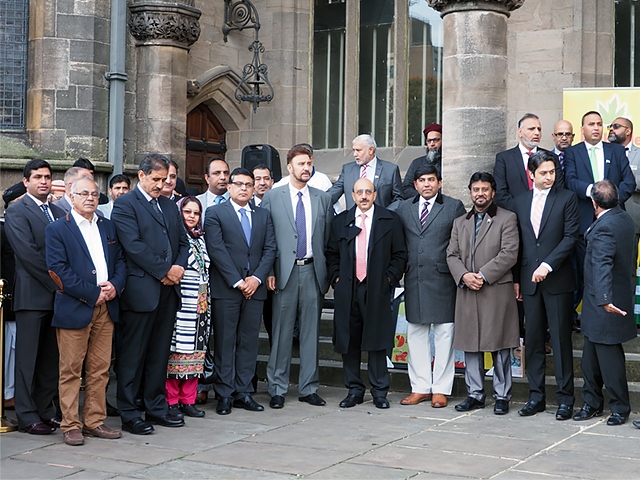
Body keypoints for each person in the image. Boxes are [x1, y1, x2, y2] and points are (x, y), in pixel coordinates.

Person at [111, 153, 189, 435]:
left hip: (168, 292)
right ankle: (130, 412)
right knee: (133, 356)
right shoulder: (125, 205)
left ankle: (156, 407)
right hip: (141, 290)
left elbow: (183, 241)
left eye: (165, 179)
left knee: (159, 354)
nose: (161, 184)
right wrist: (165, 271)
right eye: (155, 179)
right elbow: (134, 246)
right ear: (141, 176)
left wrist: (179, 266)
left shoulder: (168, 206)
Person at [45, 176, 126, 446]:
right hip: (75, 307)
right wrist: (94, 293)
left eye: (94, 194)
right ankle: (70, 424)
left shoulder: (108, 226)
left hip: (106, 309)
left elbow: (121, 262)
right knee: (70, 370)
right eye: (84, 193)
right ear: (71, 195)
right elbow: (59, 271)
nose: (90, 198)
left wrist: (114, 286)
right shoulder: (57, 229)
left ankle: (94, 421)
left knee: (100, 368)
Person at [261, 144, 333, 409]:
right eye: (301, 163)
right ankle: (277, 388)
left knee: (311, 332)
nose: (306, 168)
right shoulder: (273, 197)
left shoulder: (322, 198)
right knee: (280, 332)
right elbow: (265, 239)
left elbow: (326, 239)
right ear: (289, 167)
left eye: (309, 163)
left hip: (313, 271)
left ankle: (308, 387)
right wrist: (268, 271)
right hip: (283, 274)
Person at [327, 178, 407, 409]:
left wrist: (389, 278)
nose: (363, 196)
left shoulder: (390, 220)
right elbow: (331, 253)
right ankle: (354, 389)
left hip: (377, 287)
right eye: (359, 192)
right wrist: (337, 278)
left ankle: (379, 390)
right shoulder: (340, 222)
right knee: (348, 339)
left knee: (376, 338)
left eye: (368, 192)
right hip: (348, 288)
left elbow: (400, 254)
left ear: (375, 194)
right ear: (352, 195)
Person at [512, 151, 579, 420]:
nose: (549, 177)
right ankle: (536, 397)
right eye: (543, 173)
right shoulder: (520, 201)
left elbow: (571, 236)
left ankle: (565, 400)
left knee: (561, 341)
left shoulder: (567, 198)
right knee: (534, 340)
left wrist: (548, 265)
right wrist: (517, 278)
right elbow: (517, 243)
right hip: (529, 282)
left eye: (552, 172)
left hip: (557, 280)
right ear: (532, 174)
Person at [447, 172, 520, 415]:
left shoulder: (507, 218)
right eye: (476, 189)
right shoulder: (460, 222)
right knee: (471, 345)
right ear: (470, 192)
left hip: (495, 290)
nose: (480, 193)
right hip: (468, 290)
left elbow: (510, 253)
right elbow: (451, 254)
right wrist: (465, 276)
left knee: (499, 345)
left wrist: (482, 275)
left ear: (493, 192)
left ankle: (502, 396)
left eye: (485, 189)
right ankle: (475, 394)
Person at [205, 168, 276, 415]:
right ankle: (224, 394)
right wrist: (238, 281)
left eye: (249, 184)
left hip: (255, 289)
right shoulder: (215, 213)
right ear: (230, 187)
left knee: (248, 342)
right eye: (240, 184)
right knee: (225, 341)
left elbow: (270, 249)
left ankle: (243, 392)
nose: (245, 188)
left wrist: (256, 279)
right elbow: (217, 250)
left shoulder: (263, 215)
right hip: (227, 288)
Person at [396, 164, 465, 408]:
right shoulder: (404, 208)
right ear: (415, 185)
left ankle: (441, 389)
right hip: (414, 278)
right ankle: (421, 387)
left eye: (431, 180)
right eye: (422, 180)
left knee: (445, 333)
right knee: (416, 333)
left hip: (444, 278)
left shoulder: (453, 206)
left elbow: (462, 241)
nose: (427, 184)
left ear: (439, 182)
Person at [4, 159, 65, 434]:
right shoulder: (18, 210)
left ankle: (46, 410)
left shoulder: (56, 210)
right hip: (33, 294)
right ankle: (27, 416)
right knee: (27, 359)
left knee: (50, 358)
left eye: (47, 177)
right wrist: (59, 283)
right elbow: (27, 254)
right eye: (38, 176)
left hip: (58, 297)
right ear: (26, 181)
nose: (44, 181)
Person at [573, 180, 636, 426]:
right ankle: (592, 403)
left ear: (594, 203)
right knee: (590, 358)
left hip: (604, 303)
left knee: (610, 360)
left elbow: (602, 265)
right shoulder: (623, 218)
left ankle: (619, 407)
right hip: (600, 302)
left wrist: (604, 301)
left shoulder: (605, 228)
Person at [563, 111, 635, 323]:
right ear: (582, 129)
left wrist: (608, 201)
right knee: (586, 272)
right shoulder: (573, 153)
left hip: (614, 221)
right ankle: (587, 317)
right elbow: (571, 181)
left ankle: (616, 315)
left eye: (599, 124)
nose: (596, 127)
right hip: (584, 221)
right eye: (591, 124)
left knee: (615, 270)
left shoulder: (617, 151)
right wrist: (595, 194)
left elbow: (629, 182)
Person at [165, 196, 210, 419]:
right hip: (182, 301)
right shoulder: (176, 237)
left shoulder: (200, 238)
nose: (192, 216)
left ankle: (188, 400)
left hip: (201, 304)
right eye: (187, 212)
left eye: (196, 213)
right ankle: (172, 400)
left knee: (196, 351)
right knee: (177, 350)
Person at [494, 113, 564, 211]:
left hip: (546, 214)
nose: (537, 133)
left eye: (539, 129)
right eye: (531, 129)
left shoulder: (551, 157)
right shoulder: (504, 158)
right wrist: (522, 210)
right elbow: (500, 193)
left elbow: (559, 188)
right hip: (514, 216)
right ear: (520, 132)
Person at [327, 134, 403, 210]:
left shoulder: (390, 169)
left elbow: (399, 199)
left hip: (380, 220)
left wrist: (386, 214)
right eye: (354, 150)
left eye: (358, 150)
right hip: (354, 220)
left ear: (371, 150)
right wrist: (316, 200)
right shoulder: (347, 170)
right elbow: (333, 193)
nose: (355, 154)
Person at [607, 117, 640, 249]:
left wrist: (629, 181)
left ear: (628, 131)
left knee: (630, 262)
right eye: (610, 126)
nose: (611, 129)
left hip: (634, 215)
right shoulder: (604, 152)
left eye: (616, 126)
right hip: (609, 215)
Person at [401, 123, 443, 199]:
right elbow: (406, 188)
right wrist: (424, 196)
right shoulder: (416, 163)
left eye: (436, 140)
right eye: (429, 141)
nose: (432, 144)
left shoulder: (449, 165)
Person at [196, 157, 230, 222]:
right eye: (217, 173)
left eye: (226, 173)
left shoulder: (238, 201)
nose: (223, 177)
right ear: (207, 178)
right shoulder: (197, 202)